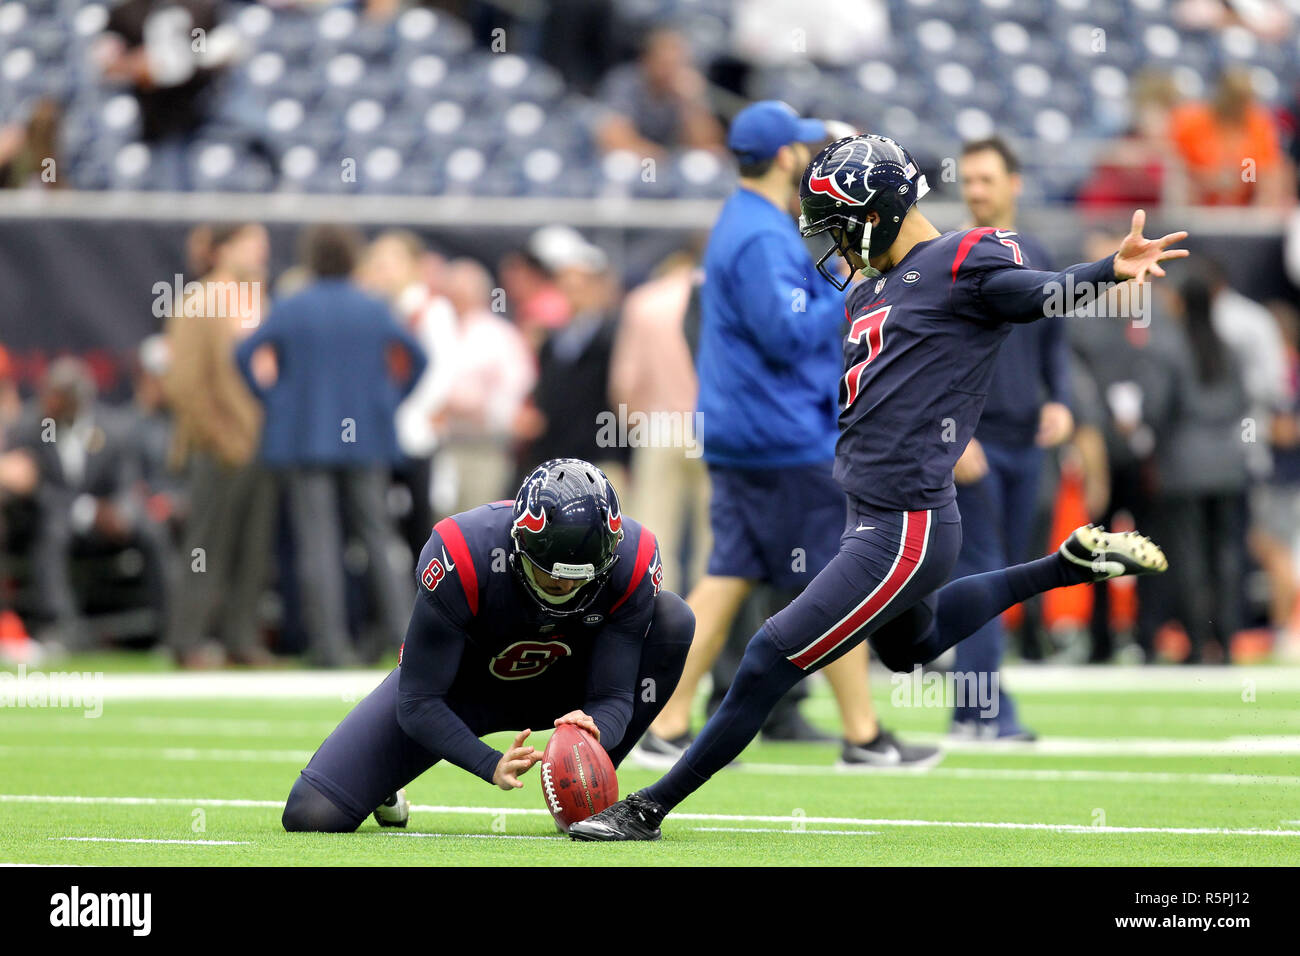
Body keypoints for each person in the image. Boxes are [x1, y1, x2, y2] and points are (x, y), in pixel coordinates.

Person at [569, 134, 1179, 841]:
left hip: (906, 523)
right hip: (870, 512)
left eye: (838, 223)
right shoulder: (873, 287)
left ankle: (648, 806)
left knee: (769, 656)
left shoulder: (964, 257)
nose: (833, 243)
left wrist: (1106, 270)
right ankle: (1064, 566)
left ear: (880, 210)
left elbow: (1034, 295)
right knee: (909, 649)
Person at [639, 102, 937, 770]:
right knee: (837, 577)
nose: (807, 154)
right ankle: (863, 735)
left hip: (749, 432)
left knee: (730, 573)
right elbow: (785, 331)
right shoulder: (761, 234)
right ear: (782, 157)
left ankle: (669, 719)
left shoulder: (745, 225)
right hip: (779, 435)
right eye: (800, 147)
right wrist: (854, 291)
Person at [281, 458, 694, 833]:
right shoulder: (463, 553)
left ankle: (587, 797)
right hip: (460, 691)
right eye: (552, 576)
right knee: (312, 815)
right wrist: (488, 762)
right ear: (520, 545)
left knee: (673, 619)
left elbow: (615, 695)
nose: (567, 588)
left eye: (581, 578)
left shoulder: (631, 561)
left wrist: (593, 730)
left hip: (565, 690)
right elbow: (418, 701)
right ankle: (386, 784)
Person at [235, 224, 426, 667]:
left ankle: (330, 646)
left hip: (306, 442)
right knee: (379, 539)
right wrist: (389, 403)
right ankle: (406, 644)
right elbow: (419, 358)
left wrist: (275, 403)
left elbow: (244, 356)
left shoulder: (292, 306)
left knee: (318, 543)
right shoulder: (373, 307)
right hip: (367, 442)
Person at [949, 136, 1072, 739]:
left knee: (1005, 574)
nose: (975, 191)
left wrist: (1061, 402)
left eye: (986, 179)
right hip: (975, 446)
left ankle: (970, 705)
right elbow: (934, 361)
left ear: (1014, 183)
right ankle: (986, 708)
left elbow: (1054, 344)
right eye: (968, 180)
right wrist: (951, 438)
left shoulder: (1039, 251)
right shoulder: (952, 256)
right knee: (983, 570)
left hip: (1026, 444)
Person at [164, 222, 275, 667]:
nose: (260, 253)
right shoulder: (201, 300)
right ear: (224, 250)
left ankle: (241, 638)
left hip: (264, 441)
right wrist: (218, 433)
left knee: (253, 547)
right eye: (251, 244)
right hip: (219, 443)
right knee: (205, 546)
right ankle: (187, 638)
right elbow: (184, 381)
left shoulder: (261, 301)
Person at [595, 27, 724, 158]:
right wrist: (658, 156)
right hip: (638, 163)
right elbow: (614, 138)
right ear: (646, 59)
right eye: (664, 63)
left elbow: (708, 145)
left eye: (676, 64)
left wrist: (694, 103)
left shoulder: (687, 89)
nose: (669, 71)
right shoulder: (623, 83)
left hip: (670, 165)